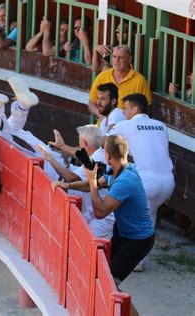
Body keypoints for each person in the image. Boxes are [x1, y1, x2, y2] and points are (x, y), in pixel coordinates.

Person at [85, 134, 154, 285]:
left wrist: (91, 181)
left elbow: (100, 212)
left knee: (108, 286)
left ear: (108, 155)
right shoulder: (120, 170)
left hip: (137, 241)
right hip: (124, 234)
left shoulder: (124, 180)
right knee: (100, 276)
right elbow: (95, 184)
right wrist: (68, 186)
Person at [108, 93, 175, 241]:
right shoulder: (161, 126)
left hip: (147, 182)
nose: (123, 112)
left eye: (126, 109)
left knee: (113, 211)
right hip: (168, 183)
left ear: (135, 109)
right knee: (147, 222)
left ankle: (111, 255)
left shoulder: (125, 125)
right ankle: (139, 262)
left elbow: (106, 142)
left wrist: (111, 128)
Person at [0, 76, 65, 180]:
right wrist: (65, 148)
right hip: (57, 169)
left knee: (11, 132)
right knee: (9, 132)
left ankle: (20, 106)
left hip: (57, 166)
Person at [38, 125, 115, 239]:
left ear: (85, 143)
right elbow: (80, 154)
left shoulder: (96, 159)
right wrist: (62, 147)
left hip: (106, 216)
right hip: (97, 212)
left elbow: (71, 177)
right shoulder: (98, 153)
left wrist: (50, 158)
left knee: (89, 245)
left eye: (79, 141)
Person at [88, 45, 151, 121]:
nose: (116, 60)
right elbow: (91, 104)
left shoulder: (140, 81)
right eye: (114, 56)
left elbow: (147, 110)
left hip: (128, 130)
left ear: (129, 59)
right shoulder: (102, 77)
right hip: (105, 129)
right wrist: (102, 117)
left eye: (120, 57)